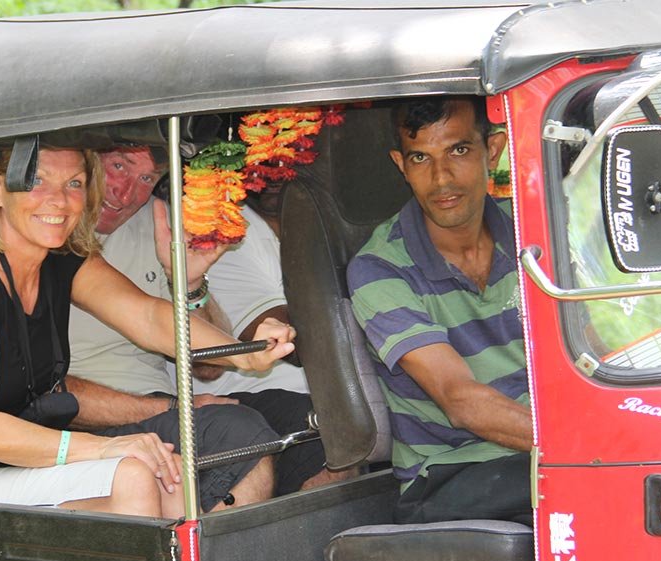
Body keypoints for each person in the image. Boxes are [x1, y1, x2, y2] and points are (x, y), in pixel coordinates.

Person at [0, 146, 295, 519]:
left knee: (171, 475)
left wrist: (242, 353)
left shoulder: (59, 258)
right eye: (37, 181)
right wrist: (102, 449)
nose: (59, 200)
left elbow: (147, 316)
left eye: (74, 183)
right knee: (134, 474)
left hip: (32, 454)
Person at [68, 146, 342, 496]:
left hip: (162, 407)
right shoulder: (54, 238)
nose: (124, 193)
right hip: (90, 418)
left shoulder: (160, 223)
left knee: (322, 424)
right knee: (236, 433)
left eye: (146, 178)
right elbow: (51, 394)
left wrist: (190, 284)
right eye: (119, 166)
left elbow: (200, 362)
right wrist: (173, 406)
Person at [346, 96, 532, 525]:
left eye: (458, 150)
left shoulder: (533, 232)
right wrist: (586, 444)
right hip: (451, 475)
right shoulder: (380, 268)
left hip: (539, 453)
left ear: (493, 150)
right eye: (420, 158)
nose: (441, 178)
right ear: (401, 165)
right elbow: (460, 400)